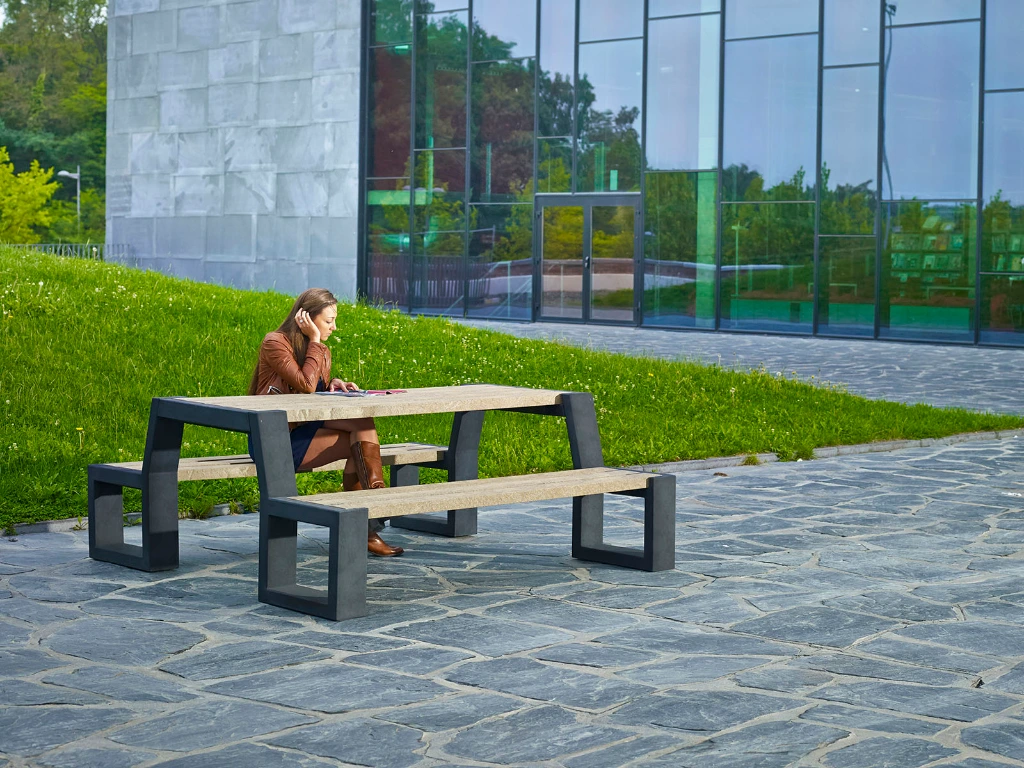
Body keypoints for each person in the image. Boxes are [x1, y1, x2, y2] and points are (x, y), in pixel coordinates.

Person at [247, 287, 404, 557]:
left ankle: (371, 515)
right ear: (306, 318)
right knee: (360, 435)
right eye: (329, 321)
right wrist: (316, 341)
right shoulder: (275, 342)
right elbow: (305, 384)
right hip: (276, 439)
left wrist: (332, 384)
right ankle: (370, 521)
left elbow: (313, 388)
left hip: (307, 428)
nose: (334, 327)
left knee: (362, 427)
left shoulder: (320, 350)